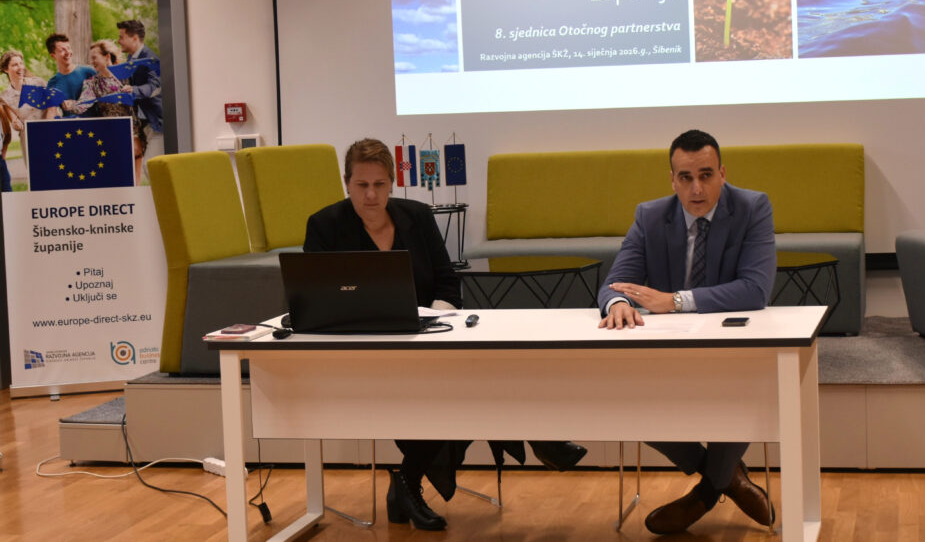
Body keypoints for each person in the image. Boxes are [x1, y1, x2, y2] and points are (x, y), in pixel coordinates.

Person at [305, 138, 586, 531]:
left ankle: (407, 482)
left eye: (380, 185)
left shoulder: (417, 217)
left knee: (466, 376)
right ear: (346, 183)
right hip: (362, 352)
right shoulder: (325, 226)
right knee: (463, 387)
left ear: (393, 182)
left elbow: (447, 284)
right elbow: (315, 299)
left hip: (424, 343)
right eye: (361, 185)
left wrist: (432, 321)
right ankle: (536, 433)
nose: (371, 195)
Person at [597, 129, 777, 535]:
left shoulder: (752, 208)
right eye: (686, 177)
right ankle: (726, 477)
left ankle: (705, 495)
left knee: (745, 388)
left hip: (733, 351)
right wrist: (618, 303)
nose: (697, 188)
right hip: (667, 352)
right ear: (672, 180)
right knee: (626, 401)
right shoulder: (650, 216)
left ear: (723, 174)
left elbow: (755, 289)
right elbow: (615, 283)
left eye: (706, 175)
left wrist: (674, 300)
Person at [72, 40, 147, 183]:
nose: (92, 61)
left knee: (134, 182)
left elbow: (143, 96)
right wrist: (69, 105)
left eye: (94, 57)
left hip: (133, 133)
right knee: (116, 180)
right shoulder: (92, 83)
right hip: (110, 136)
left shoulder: (128, 75)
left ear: (107, 57)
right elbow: (82, 105)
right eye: (91, 58)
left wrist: (133, 91)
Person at [116, 20, 163, 175]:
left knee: (150, 167)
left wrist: (133, 90)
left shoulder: (150, 59)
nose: (118, 41)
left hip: (158, 124)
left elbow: (154, 86)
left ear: (135, 38)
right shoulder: (131, 59)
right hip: (145, 125)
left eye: (121, 37)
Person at [1, 49, 59, 163]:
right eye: (15, 65)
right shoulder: (4, 97)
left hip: (50, 132)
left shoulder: (38, 83)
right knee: (35, 171)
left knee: (57, 166)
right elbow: (14, 121)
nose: (20, 67)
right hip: (28, 140)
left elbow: (53, 106)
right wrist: (16, 123)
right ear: (6, 69)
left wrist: (48, 126)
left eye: (21, 63)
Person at [44, 33, 95, 107]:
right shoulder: (52, 84)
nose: (68, 52)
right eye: (62, 50)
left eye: (69, 48)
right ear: (53, 55)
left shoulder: (89, 72)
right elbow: (52, 109)